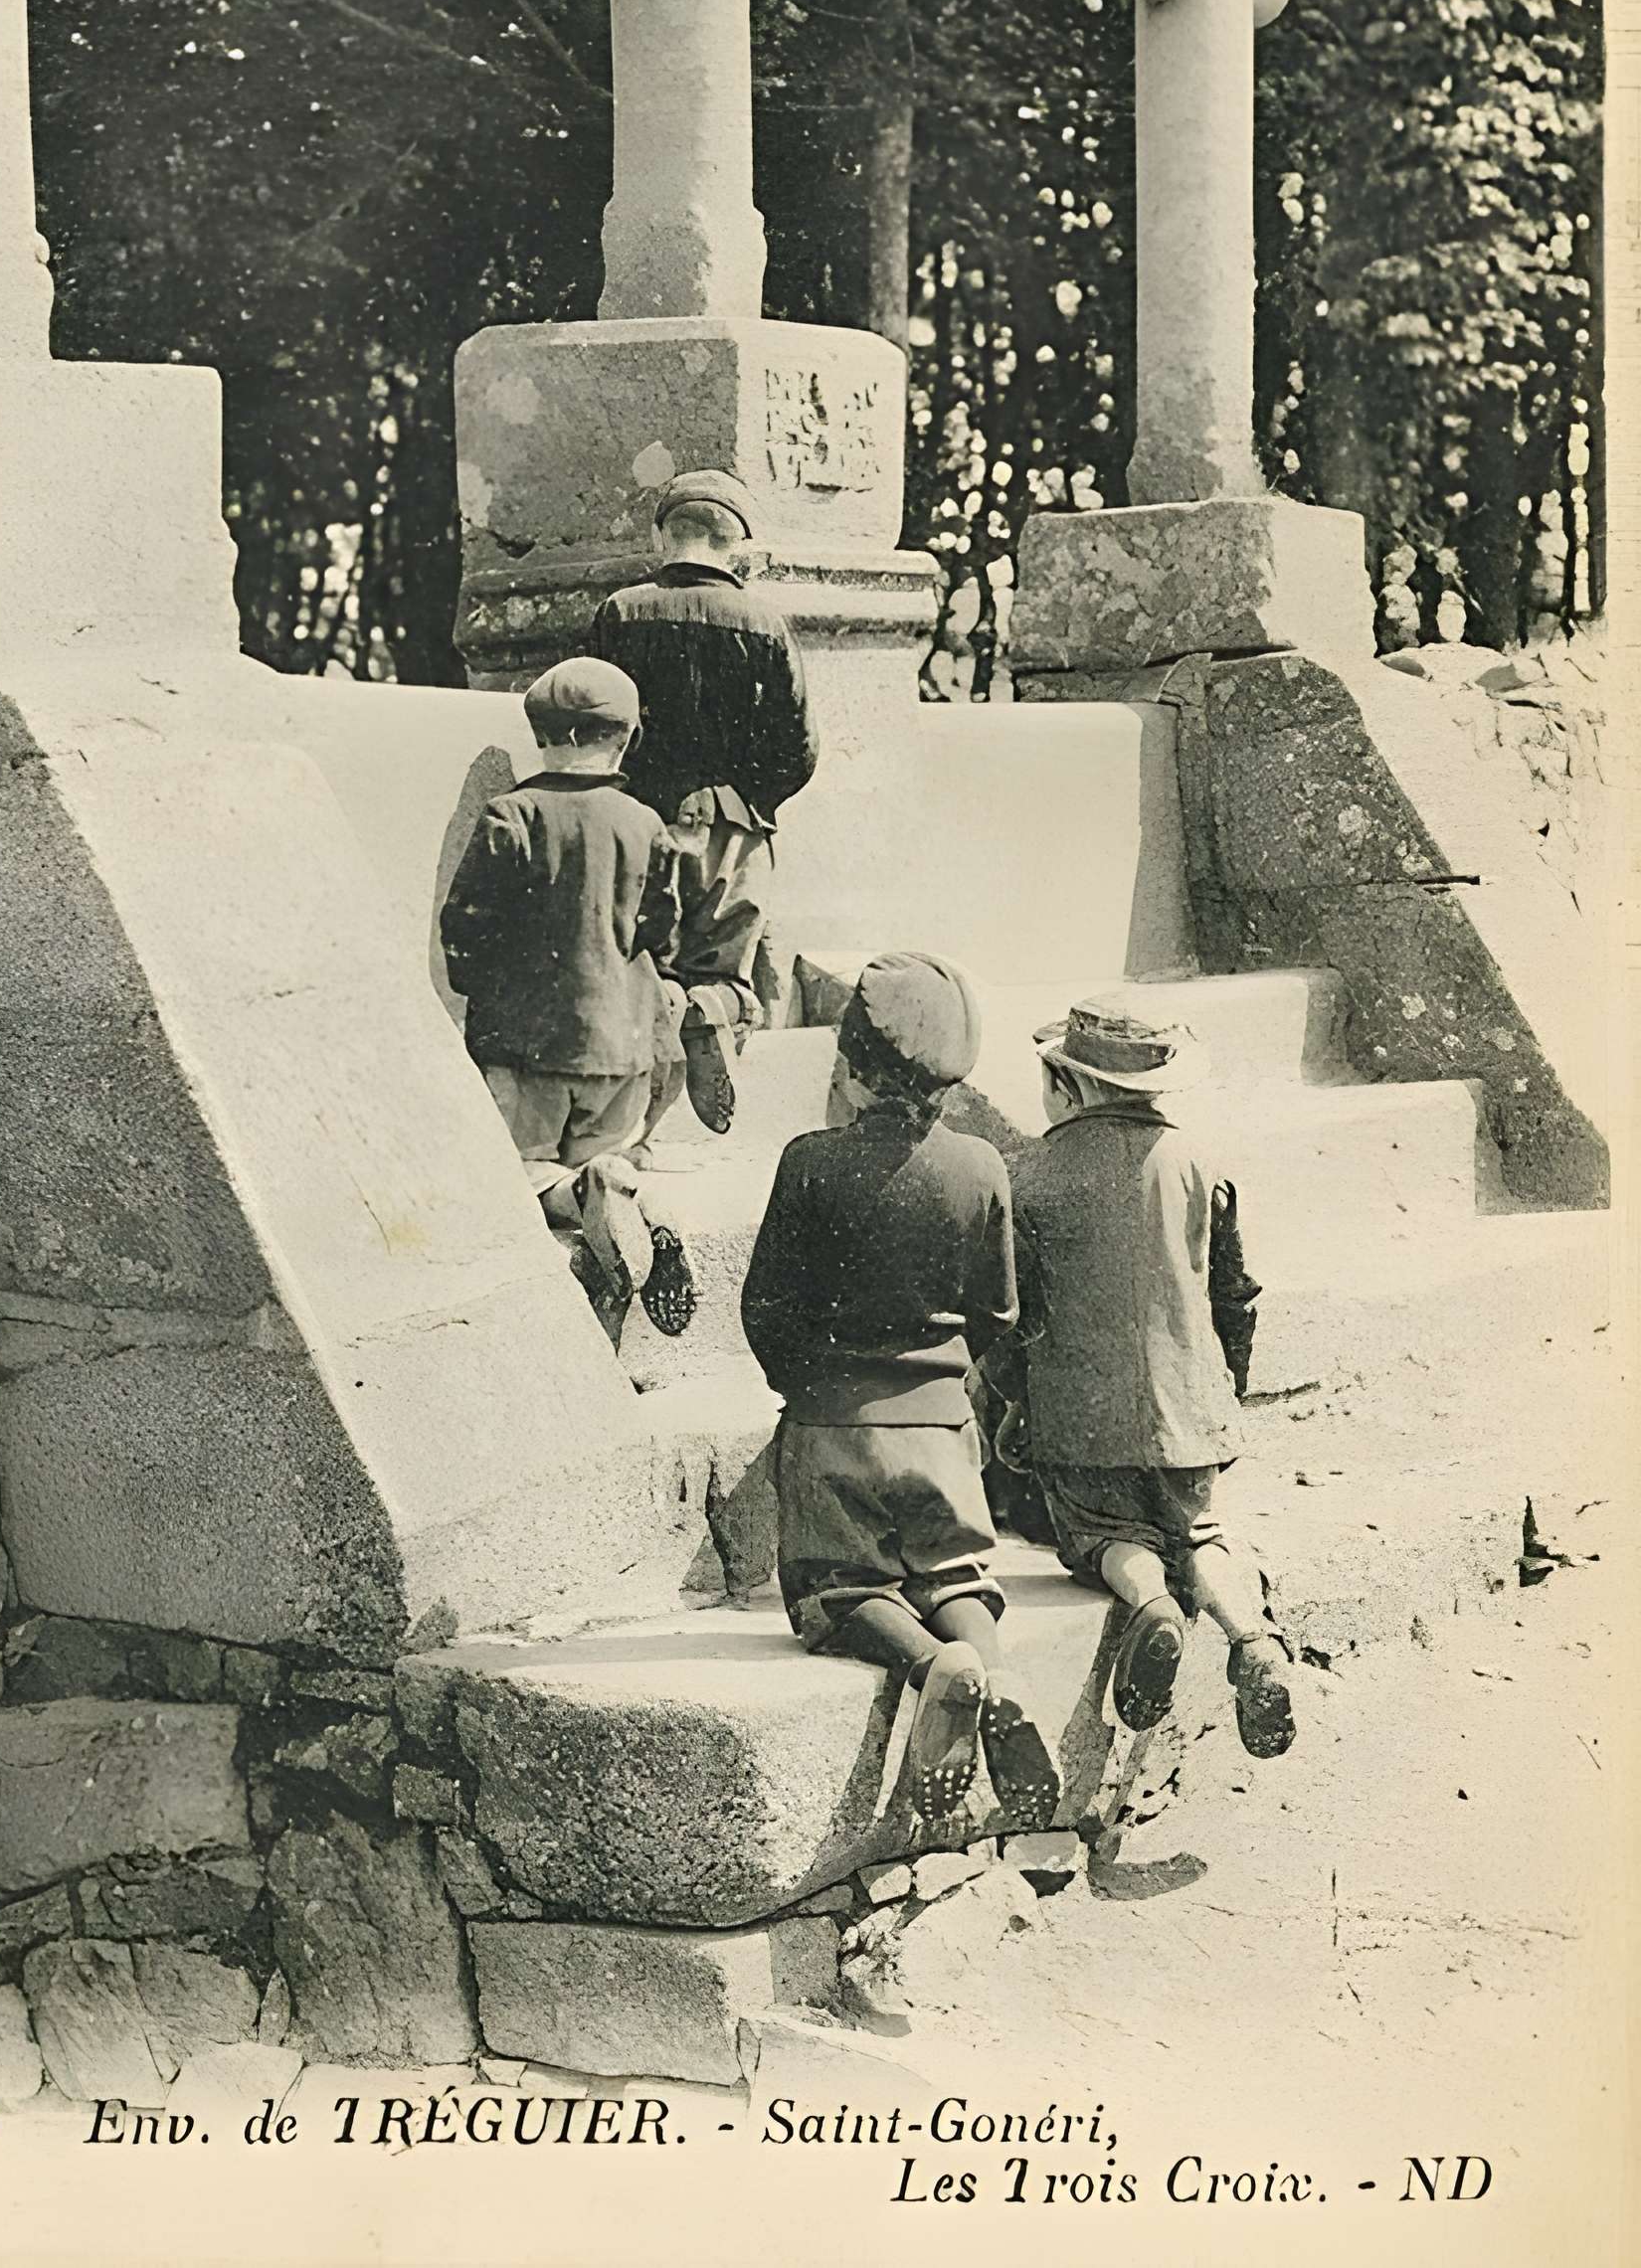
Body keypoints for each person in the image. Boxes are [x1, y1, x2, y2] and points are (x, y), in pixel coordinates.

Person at [740, 953, 1060, 1832]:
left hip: (833, 1424)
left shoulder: (809, 1163)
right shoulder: (981, 1168)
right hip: (941, 1429)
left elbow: (763, 1306)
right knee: (955, 1573)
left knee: (840, 1591)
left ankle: (933, 1671)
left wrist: (803, 1390)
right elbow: (999, 1311)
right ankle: (994, 1671)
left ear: (847, 1068)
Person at [993, 1000, 1294, 1760]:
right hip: (1188, 1413)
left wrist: (1012, 1403)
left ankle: (1149, 1603)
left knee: (1103, 1534)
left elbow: (1009, 1316)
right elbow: (1236, 1294)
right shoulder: (1200, 1162)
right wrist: (1224, 1386)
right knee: (1200, 1532)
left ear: (1071, 1082)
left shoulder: (1026, 1178)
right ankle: (1250, 1638)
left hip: (1078, 1419)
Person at [439, 656, 696, 1347]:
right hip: (624, 1048)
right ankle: (619, 1195)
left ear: (540, 734)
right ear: (627, 738)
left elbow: (463, 928)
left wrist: (483, 995)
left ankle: (583, 1195)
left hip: (527, 1049)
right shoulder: (644, 822)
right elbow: (661, 928)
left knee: (519, 1178)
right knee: (604, 1160)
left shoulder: (510, 815)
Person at [589, 467, 818, 1137]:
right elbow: (799, 746)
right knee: (723, 960)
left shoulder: (621, 612)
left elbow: (600, 717)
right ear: (736, 544)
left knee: (642, 964)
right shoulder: (766, 623)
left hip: (640, 822)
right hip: (734, 827)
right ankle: (714, 1008)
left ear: (664, 534)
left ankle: (636, 1132)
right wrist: (750, 802)